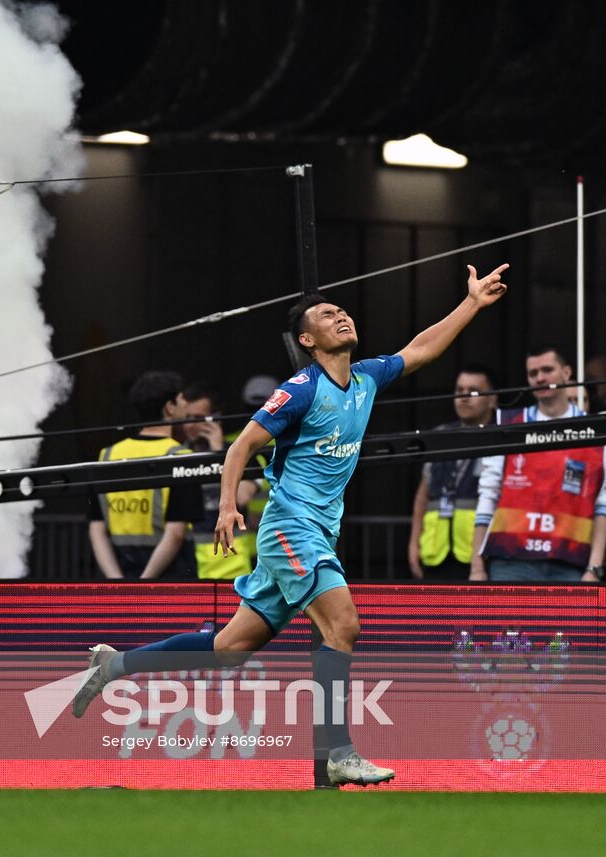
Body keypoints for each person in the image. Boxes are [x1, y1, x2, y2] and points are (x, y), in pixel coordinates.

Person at [72, 263, 510, 787]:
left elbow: (421, 349)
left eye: (342, 309)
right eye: (328, 314)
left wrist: (472, 304)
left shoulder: (367, 377)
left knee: (230, 650)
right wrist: (230, 505)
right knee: (343, 625)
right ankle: (340, 754)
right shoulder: (301, 388)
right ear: (308, 339)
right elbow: (242, 445)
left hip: (314, 532)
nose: (342, 315)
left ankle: (115, 665)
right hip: (289, 528)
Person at [471, 345, 606, 583]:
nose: (540, 378)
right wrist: (477, 567)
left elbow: (602, 505)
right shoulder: (508, 425)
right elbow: (488, 494)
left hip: (569, 562)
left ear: (567, 373)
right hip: (511, 559)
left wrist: (594, 569)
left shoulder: (597, 431)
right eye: (533, 373)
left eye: (547, 370)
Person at [87, 370, 202, 580]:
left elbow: (96, 528)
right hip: (170, 577)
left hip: (120, 569)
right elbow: (175, 533)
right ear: (169, 407)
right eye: (182, 399)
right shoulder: (181, 457)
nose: (186, 405)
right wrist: (144, 584)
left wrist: (117, 581)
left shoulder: (108, 455)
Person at [406, 365, 498, 580]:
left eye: (473, 391)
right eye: (459, 390)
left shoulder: (500, 437)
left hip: (479, 555)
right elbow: (423, 493)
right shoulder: (439, 436)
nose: (464, 397)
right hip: (435, 551)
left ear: (492, 399)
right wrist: (413, 543)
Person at [175, 383, 263, 580]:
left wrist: (219, 455)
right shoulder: (176, 454)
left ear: (215, 417)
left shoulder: (242, 454)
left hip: (228, 563)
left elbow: (241, 498)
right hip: (184, 559)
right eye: (187, 418)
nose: (190, 425)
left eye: (198, 419)